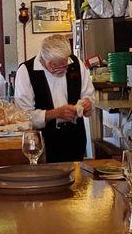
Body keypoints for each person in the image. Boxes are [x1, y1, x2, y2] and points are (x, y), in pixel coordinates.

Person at [14, 34, 94, 163]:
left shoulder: (76, 64)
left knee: (75, 177)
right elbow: (23, 116)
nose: (55, 69)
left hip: (74, 137)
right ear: (44, 58)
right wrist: (53, 114)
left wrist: (87, 104)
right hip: (42, 141)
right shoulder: (26, 71)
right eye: (52, 65)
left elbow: (88, 95)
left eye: (62, 64)